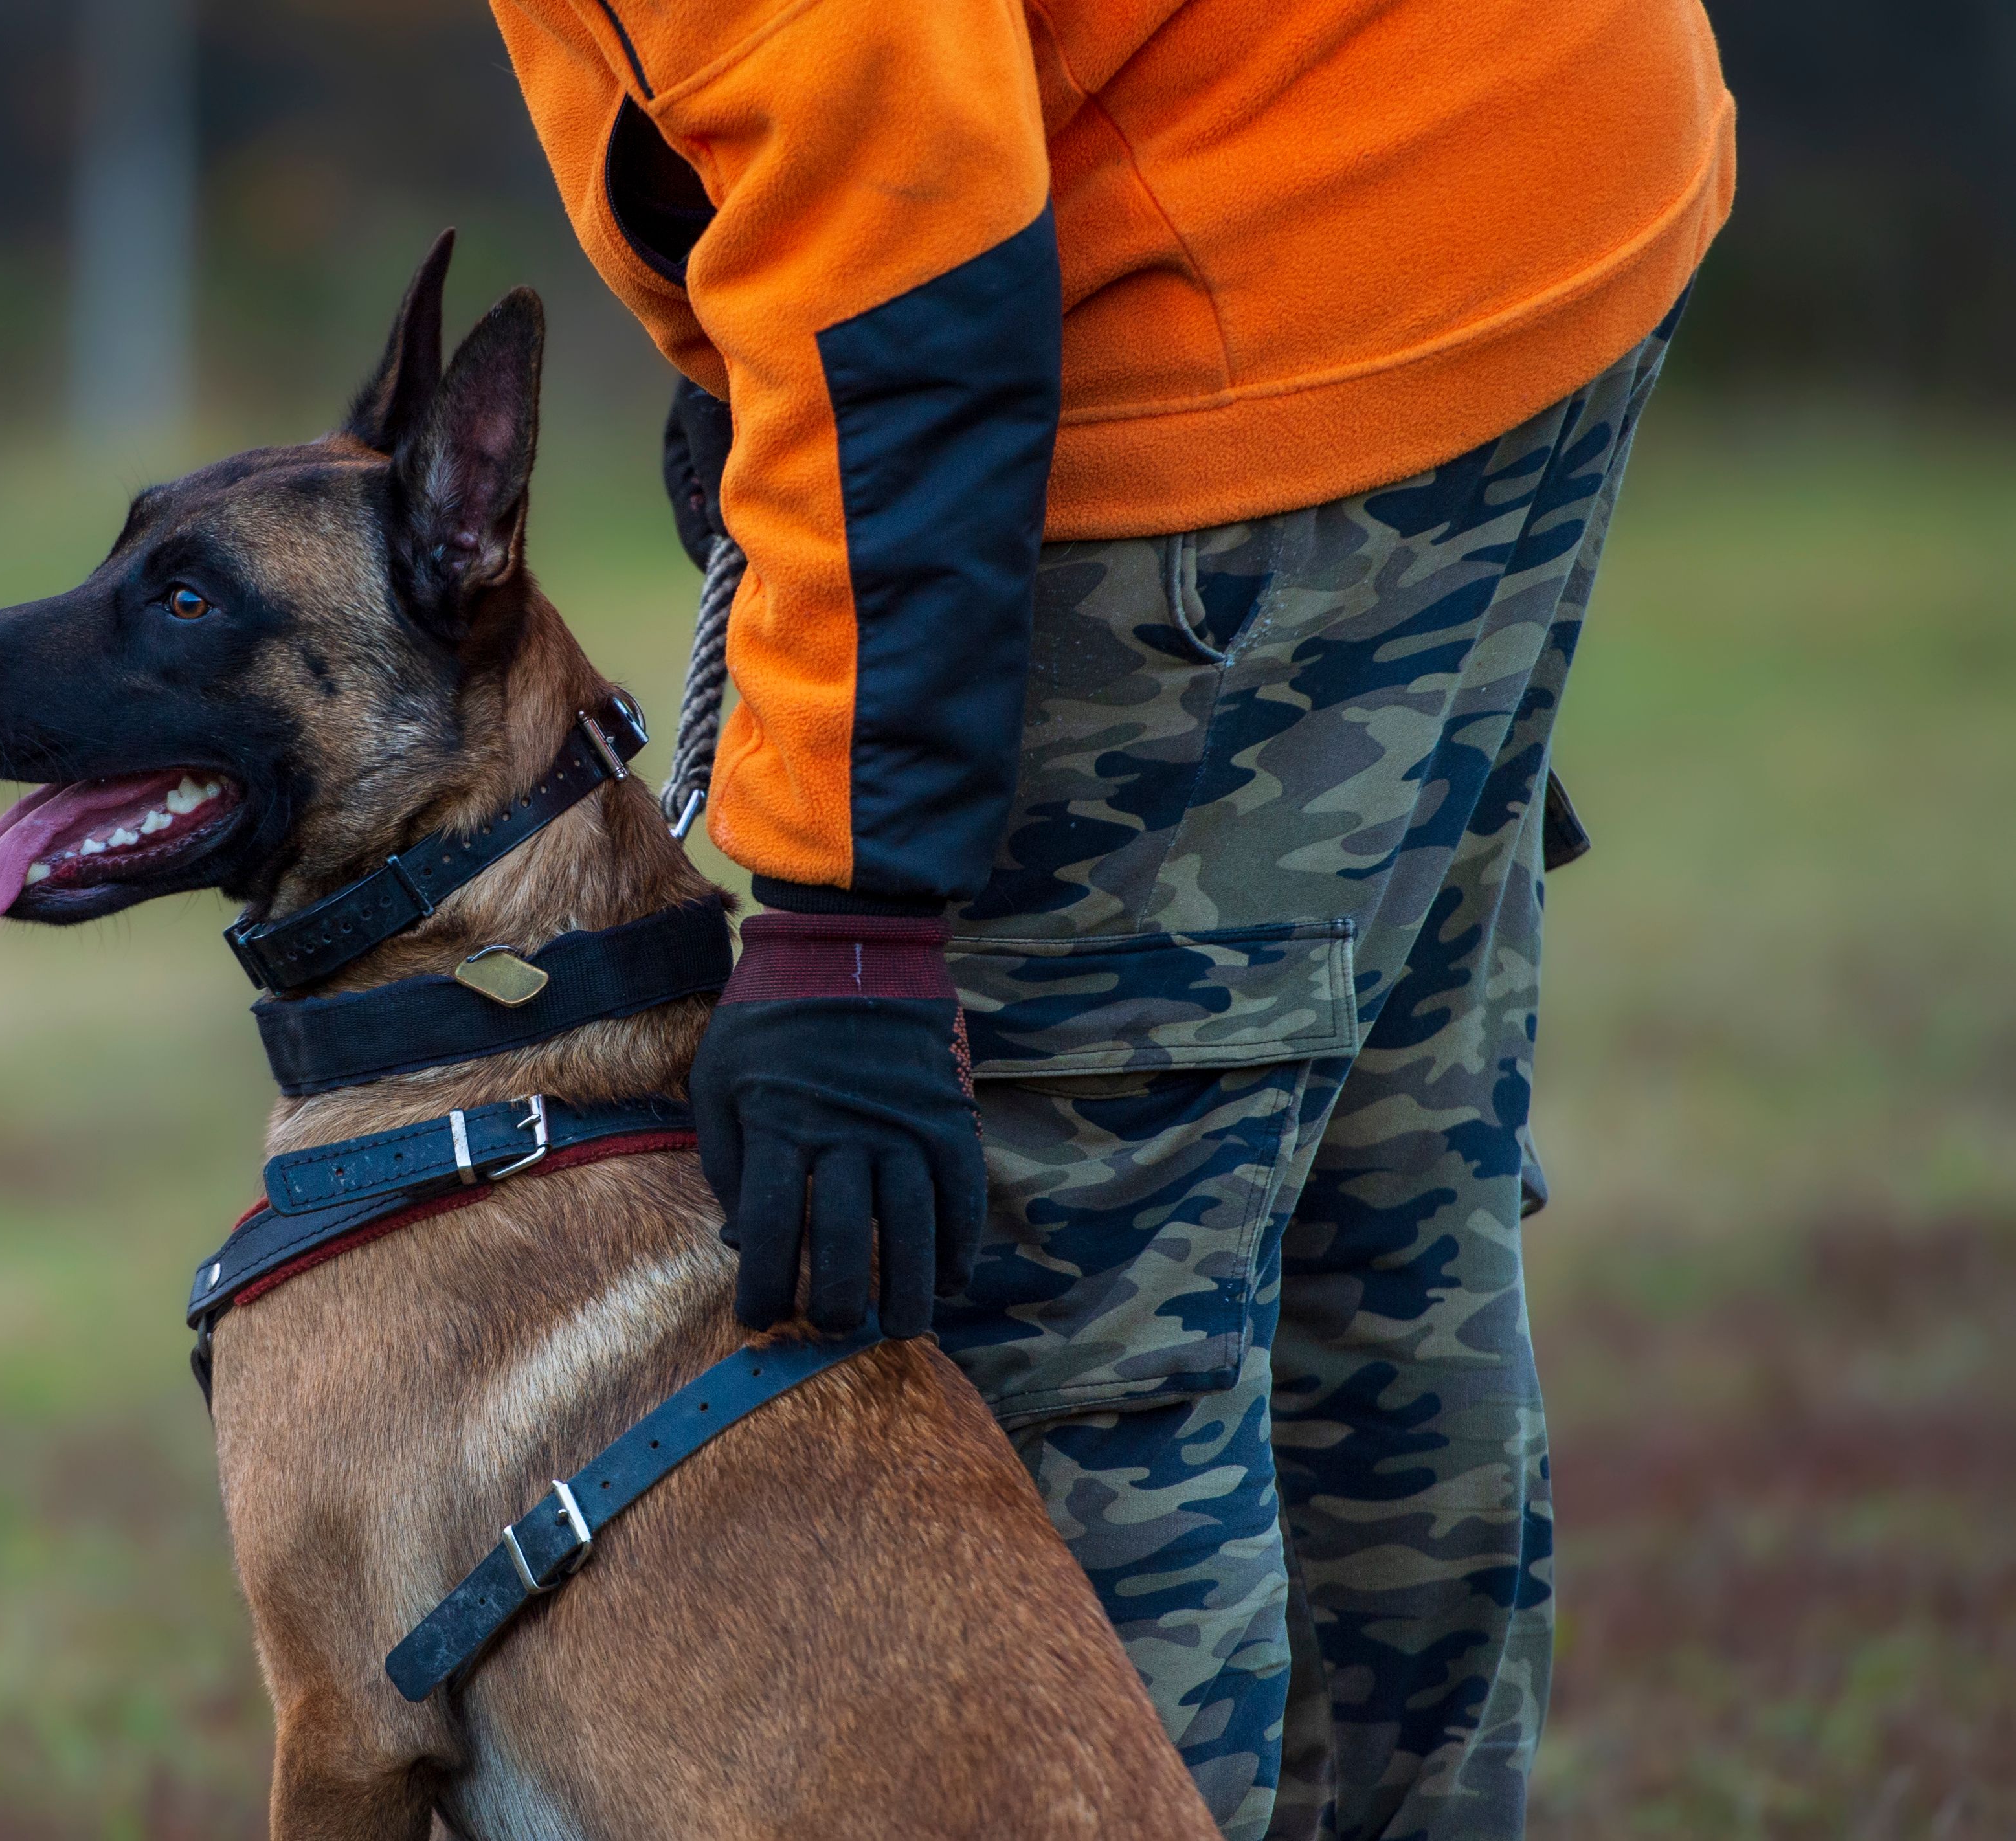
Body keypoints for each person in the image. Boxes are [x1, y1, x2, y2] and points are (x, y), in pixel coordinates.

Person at [482, 1, 1736, 1836]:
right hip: (1507, 159)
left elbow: (899, 255)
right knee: (1367, 1230)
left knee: (1056, 1332)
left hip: (1269, 277)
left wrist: (850, 921)